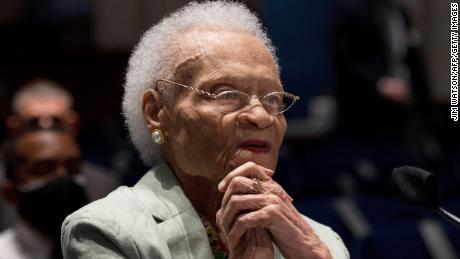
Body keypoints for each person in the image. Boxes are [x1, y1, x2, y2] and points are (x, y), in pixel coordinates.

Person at [62, 2, 350, 258]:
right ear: (156, 112)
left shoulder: (321, 242)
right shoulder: (108, 231)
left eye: (272, 98)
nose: (261, 116)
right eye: (225, 93)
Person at [0, 129, 89, 259]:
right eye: (44, 169)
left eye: (72, 168)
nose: (62, 177)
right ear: (10, 191)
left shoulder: (108, 249)